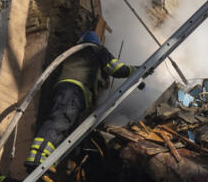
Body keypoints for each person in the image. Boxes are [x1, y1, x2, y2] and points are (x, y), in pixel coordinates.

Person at [26, 32, 138, 170]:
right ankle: (38, 157)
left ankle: (48, 161)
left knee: (65, 129)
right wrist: (137, 70)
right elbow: (117, 69)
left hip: (66, 91)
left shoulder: (73, 54)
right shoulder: (96, 49)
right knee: (59, 121)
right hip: (74, 91)